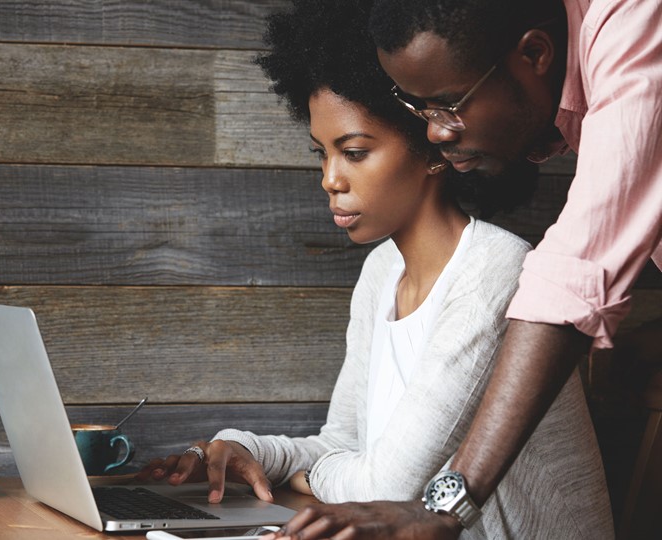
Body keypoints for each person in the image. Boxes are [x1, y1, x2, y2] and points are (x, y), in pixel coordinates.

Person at [138, 1, 613, 538]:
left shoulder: (495, 272)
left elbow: (385, 489)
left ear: (433, 147)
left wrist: (304, 476)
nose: (330, 180)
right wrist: (244, 450)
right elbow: (342, 444)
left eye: (355, 152)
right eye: (322, 153)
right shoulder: (382, 272)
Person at [270, 0, 662, 538]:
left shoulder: (636, 29)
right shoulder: (382, 272)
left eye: (449, 103)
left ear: (535, 54)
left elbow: (579, 262)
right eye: (421, 109)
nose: (435, 133)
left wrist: (444, 506)